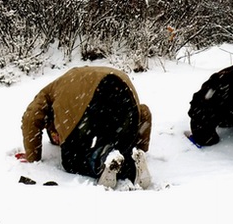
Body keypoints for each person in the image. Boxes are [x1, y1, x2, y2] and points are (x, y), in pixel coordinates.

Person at [21, 66, 153, 189]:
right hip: (124, 91)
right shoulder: (70, 79)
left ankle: (102, 162)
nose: (57, 140)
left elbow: (30, 119)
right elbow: (144, 113)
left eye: (55, 136)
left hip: (89, 97)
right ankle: (134, 167)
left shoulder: (47, 94)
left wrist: (32, 157)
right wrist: (140, 146)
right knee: (117, 145)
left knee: (73, 160)